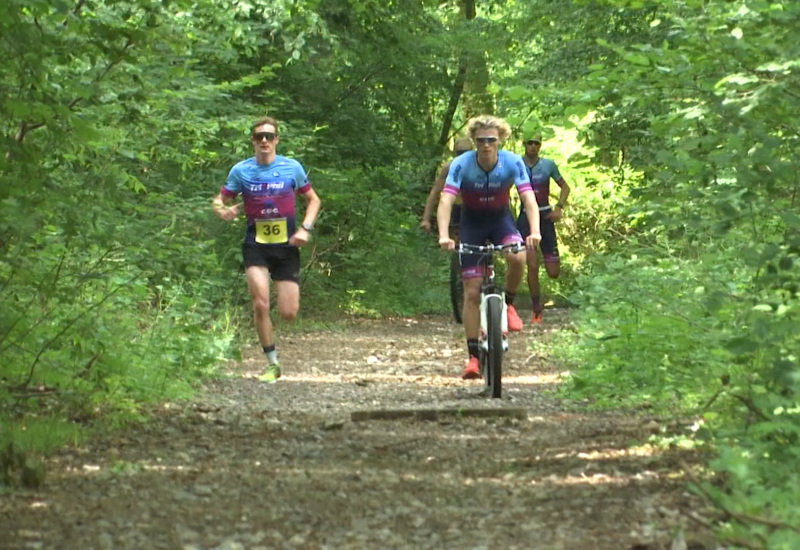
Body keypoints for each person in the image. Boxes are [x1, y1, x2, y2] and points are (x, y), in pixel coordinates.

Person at [212, 116, 321, 383]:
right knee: (260, 302)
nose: (264, 140)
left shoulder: (291, 168)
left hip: (286, 246)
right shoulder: (241, 171)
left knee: (288, 312)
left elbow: (313, 200)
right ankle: (271, 363)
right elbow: (219, 200)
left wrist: (305, 229)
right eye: (259, 136)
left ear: (276, 140)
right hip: (255, 245)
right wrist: (222, 210)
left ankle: (275, 347)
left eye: (269, 136)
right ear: (252, 140)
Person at [437, 115, 542, 380]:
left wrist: (535, 231)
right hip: (472, 224)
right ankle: (473, 356)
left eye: (491, 140)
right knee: (472, 292)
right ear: (474, 141)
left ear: (500, 140)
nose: (486, 145)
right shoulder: (461, 165)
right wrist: (443, 235)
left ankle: (508, 303)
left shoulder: (512, 162)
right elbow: (446, 201)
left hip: (500, 221)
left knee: (517, 256)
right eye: (481, 140)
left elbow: (528, 198)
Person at [515, 134, 570, 323]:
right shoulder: (516, 164)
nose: (532, 146)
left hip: (545, 216)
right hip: (525, 219)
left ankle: (540, 304)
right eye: (529, 142)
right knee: (531, 265)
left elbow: (565, 187)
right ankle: (536, 309)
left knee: (553, 272)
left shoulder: (548, 165)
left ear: (540, 146)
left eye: (536, 143)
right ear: (524, 144)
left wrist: (559, 207)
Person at [420, 137, 474, 235]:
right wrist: (426, 219)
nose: (462, 156)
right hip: (455, 210)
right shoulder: (449, 168)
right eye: (460, 153)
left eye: (465, 153)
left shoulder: (480, 167)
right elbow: (434, 193)